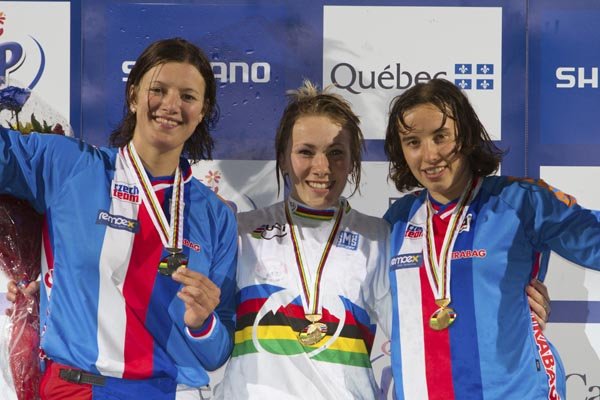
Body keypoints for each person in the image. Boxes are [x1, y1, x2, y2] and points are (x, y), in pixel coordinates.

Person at [211, 80, 552, 399]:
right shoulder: (241, 231)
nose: (322, 167)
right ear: (283, 157)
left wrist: (509, 308)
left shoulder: (379, 237)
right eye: (305, 152)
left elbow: (423, 331)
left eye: (336, 153)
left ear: (352, 161)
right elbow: (209, 332)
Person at [0, 37, 237, 400]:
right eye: (158, 90)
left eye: (188, 96)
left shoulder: (216, 215)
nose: (171, 105)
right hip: (75, 389)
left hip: (168, 392)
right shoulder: (70, 167)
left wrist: (203, 323)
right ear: (133, 95)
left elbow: (218, 352)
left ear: (202, 111)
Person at [382, 78, 600, 399]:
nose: (429, 155)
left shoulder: (520, 201)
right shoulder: (398, 219)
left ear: (467, 135)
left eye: (441, 136)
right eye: (413, 142)